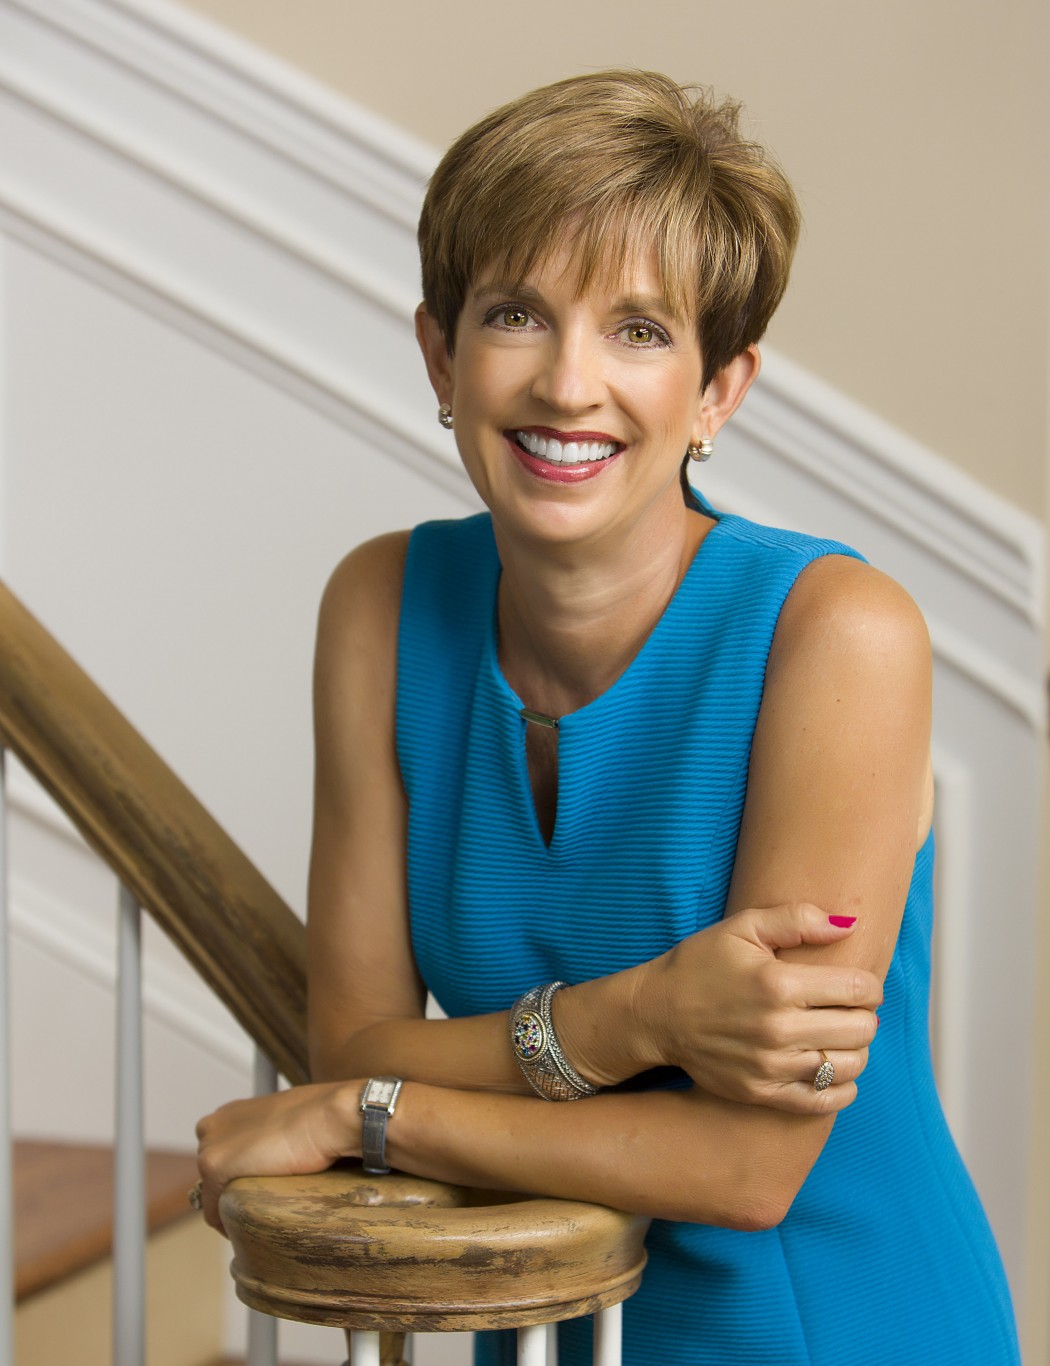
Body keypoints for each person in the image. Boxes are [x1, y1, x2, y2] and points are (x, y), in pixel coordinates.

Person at [195, 70, 1019, 1364]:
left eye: (639, 330)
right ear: (441, 355)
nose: (569, 383)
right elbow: (353, 1037)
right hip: (542, 1319)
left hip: (832, 1325)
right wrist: (635, 1019)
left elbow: (746, 1165)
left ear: (718, 390)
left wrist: (371, 1115)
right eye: (516, 314)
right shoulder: (380, 606)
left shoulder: (838, 634)